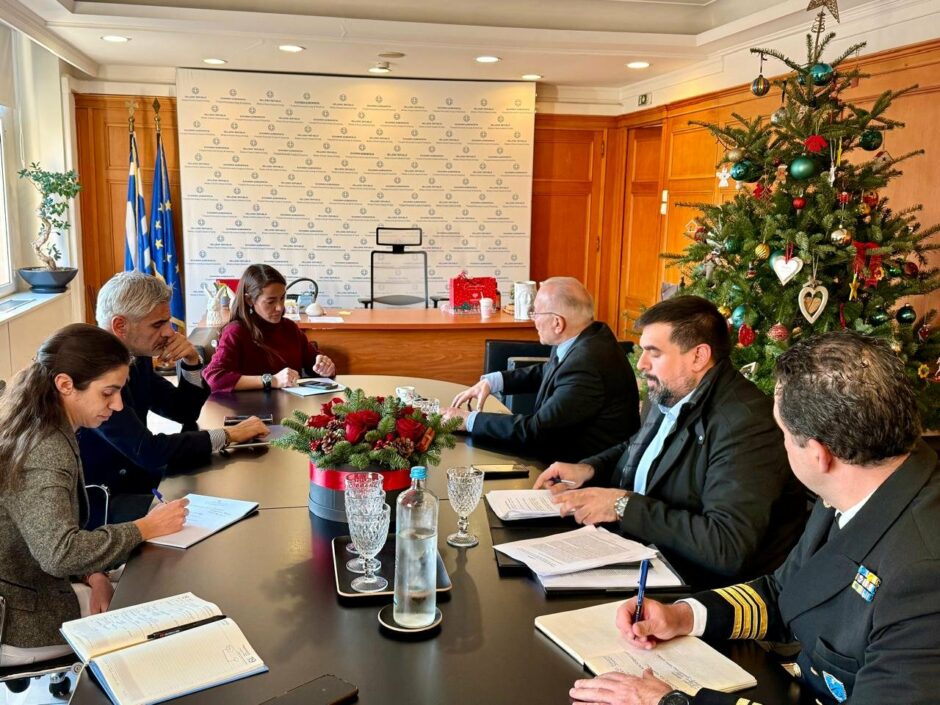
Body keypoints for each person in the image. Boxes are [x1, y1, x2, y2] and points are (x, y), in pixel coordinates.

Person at [570, 331, 940, 705]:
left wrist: (671, 702)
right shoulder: (859, 482)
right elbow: (786, 592)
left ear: (819, 455)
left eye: (783, 433)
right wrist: (683, 615)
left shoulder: (922, 575)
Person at [536, 296, 806, 588]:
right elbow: (641, 449)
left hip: (693, 586)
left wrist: (623, 506)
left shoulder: (746, 424)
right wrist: (589, 469)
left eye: (654, 353)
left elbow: (726, 546)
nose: (641, 364)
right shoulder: (672, 391)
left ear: (698, 356)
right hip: (638, 551)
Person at [0, 324, 188, 666]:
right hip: (22, 619)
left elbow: (46, 535)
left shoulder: (41, 423)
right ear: (65, 385)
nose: (117, 405)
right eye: (108, 393)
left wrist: (94, 574)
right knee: (157, 618)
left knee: (146, 582)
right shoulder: (46, 449)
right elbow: (59, 553)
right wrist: (145, 527)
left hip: (35, 584)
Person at [79, 272, 268, 524]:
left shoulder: (137, 358)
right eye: (158, 325)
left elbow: (183, 411)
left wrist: (191, 361)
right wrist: (228, 435)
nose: (170, 332)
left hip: (140, 481)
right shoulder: (92, 373)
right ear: (120, 326)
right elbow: (148, 450)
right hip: (104, 503)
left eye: (167, 321)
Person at [441, 277, 639, 463]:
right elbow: (548, 371)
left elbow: (537, 431)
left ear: (557, 323)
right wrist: (492, 382)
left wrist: (468, 420)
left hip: (578, 470)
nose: (533, 320)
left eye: (535, 313)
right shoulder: (587, 336)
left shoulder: (587, 364)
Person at [203, 264, 336, 393]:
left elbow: (313, 363)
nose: (280, 307)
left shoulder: (290, 328)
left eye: (282, 298)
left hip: (291, 405)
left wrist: (325, 368)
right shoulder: (235, 331)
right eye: (270, 301)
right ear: (249, 300)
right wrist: (272, 380)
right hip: (252, 407)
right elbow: (213, 378)